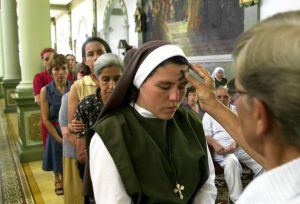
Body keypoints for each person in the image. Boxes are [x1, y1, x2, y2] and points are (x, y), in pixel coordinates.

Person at [185, 10, 300, 203]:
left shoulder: (263, 197)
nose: (233, 101)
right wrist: (212, 104)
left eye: (238, 93)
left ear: (258, 113)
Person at [90, 40, 217, 203]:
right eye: (165, 86)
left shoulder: (190, 121)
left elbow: (207, 181)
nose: (176, 97)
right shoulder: (111, 134)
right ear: (139, 82)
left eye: (182, 86)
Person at [72, 53, 124, 203]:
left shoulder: (129, 104)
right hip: (95, 168)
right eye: (106, 79)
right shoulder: (86, 106)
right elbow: (81, 153)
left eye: (117, 79)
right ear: (95, 78)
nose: (112, 86)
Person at [67, 37, 111, 203]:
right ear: (85, 60)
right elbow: (72, 126)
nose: (96, 57)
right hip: (89, 152)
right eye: (90, 54)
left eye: (100, 52)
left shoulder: (118, 81)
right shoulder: (78, 87)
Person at [203, 86, 263, 203]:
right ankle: (237, 199)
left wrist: (236, 143)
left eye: (225, 97)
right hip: (222, 149)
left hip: (239, 146)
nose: (222, 99)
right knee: (232, 162)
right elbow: (206, 136)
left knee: (262, 162)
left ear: (230, 98)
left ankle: (258, 191)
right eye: (219, 97)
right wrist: (216, 145)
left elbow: (245, 131)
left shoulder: (238, 111)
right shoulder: (209, 114)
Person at [40, 53, 71, 196]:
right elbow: (45, 118)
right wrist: (58, 137)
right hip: (55, 128)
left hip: (71, 128)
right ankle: (57, 179)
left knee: (69, 157)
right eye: (56, 69)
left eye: (64, 69)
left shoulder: (75, 87)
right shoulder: (45, 91)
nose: (60, 73)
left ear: (68, 70)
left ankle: (67, 178)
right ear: (51, 71)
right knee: (55, 154)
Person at [59, 66, 88, 203]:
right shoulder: (67, 98)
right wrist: (84, 149)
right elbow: (66, 130)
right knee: (77, 195)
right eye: (80, 78)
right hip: (74, 153)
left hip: (91, 154)